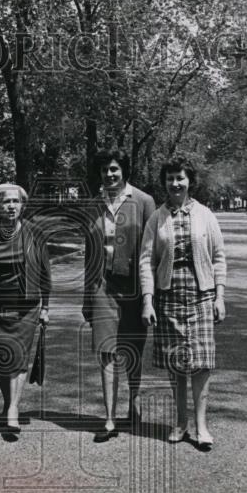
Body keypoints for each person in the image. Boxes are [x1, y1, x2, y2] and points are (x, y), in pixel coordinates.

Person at [139, 156, 226, 450]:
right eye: (170, 179)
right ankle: (180, 422)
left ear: (190, 181)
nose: (175, 184)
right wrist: (148, 301)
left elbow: (218, 258)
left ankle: (202, 426)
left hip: (201, 296)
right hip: (169, 297)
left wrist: (220, 296)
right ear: (164, 182)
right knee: (176, 365)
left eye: (180, 178)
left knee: (201, 365)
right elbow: (146, 262)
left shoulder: (205, 215)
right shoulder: (157, 218)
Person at [83, 149, 156, 442]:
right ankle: (110, 419)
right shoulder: (93, 205)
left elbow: (154, 249)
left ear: (124, 170)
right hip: (103, 286)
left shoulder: (143, 201)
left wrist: (152, 295)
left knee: (132, 350)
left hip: (135, 286)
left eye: (114, 169)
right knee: (106, 351)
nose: (109, 175)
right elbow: (89, 253)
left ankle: (133, 406)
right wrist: (87, 297)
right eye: (104, 170)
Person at [0, 183, 51, 435]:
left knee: (18, 358)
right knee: (0, 360)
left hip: (26, 304)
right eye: (6, 202)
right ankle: (8, 403)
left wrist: (46, 307)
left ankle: (13, 408)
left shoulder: (35, 233)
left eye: (16, 202)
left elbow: (46, 272)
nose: (11, 206)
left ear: (22, 205)